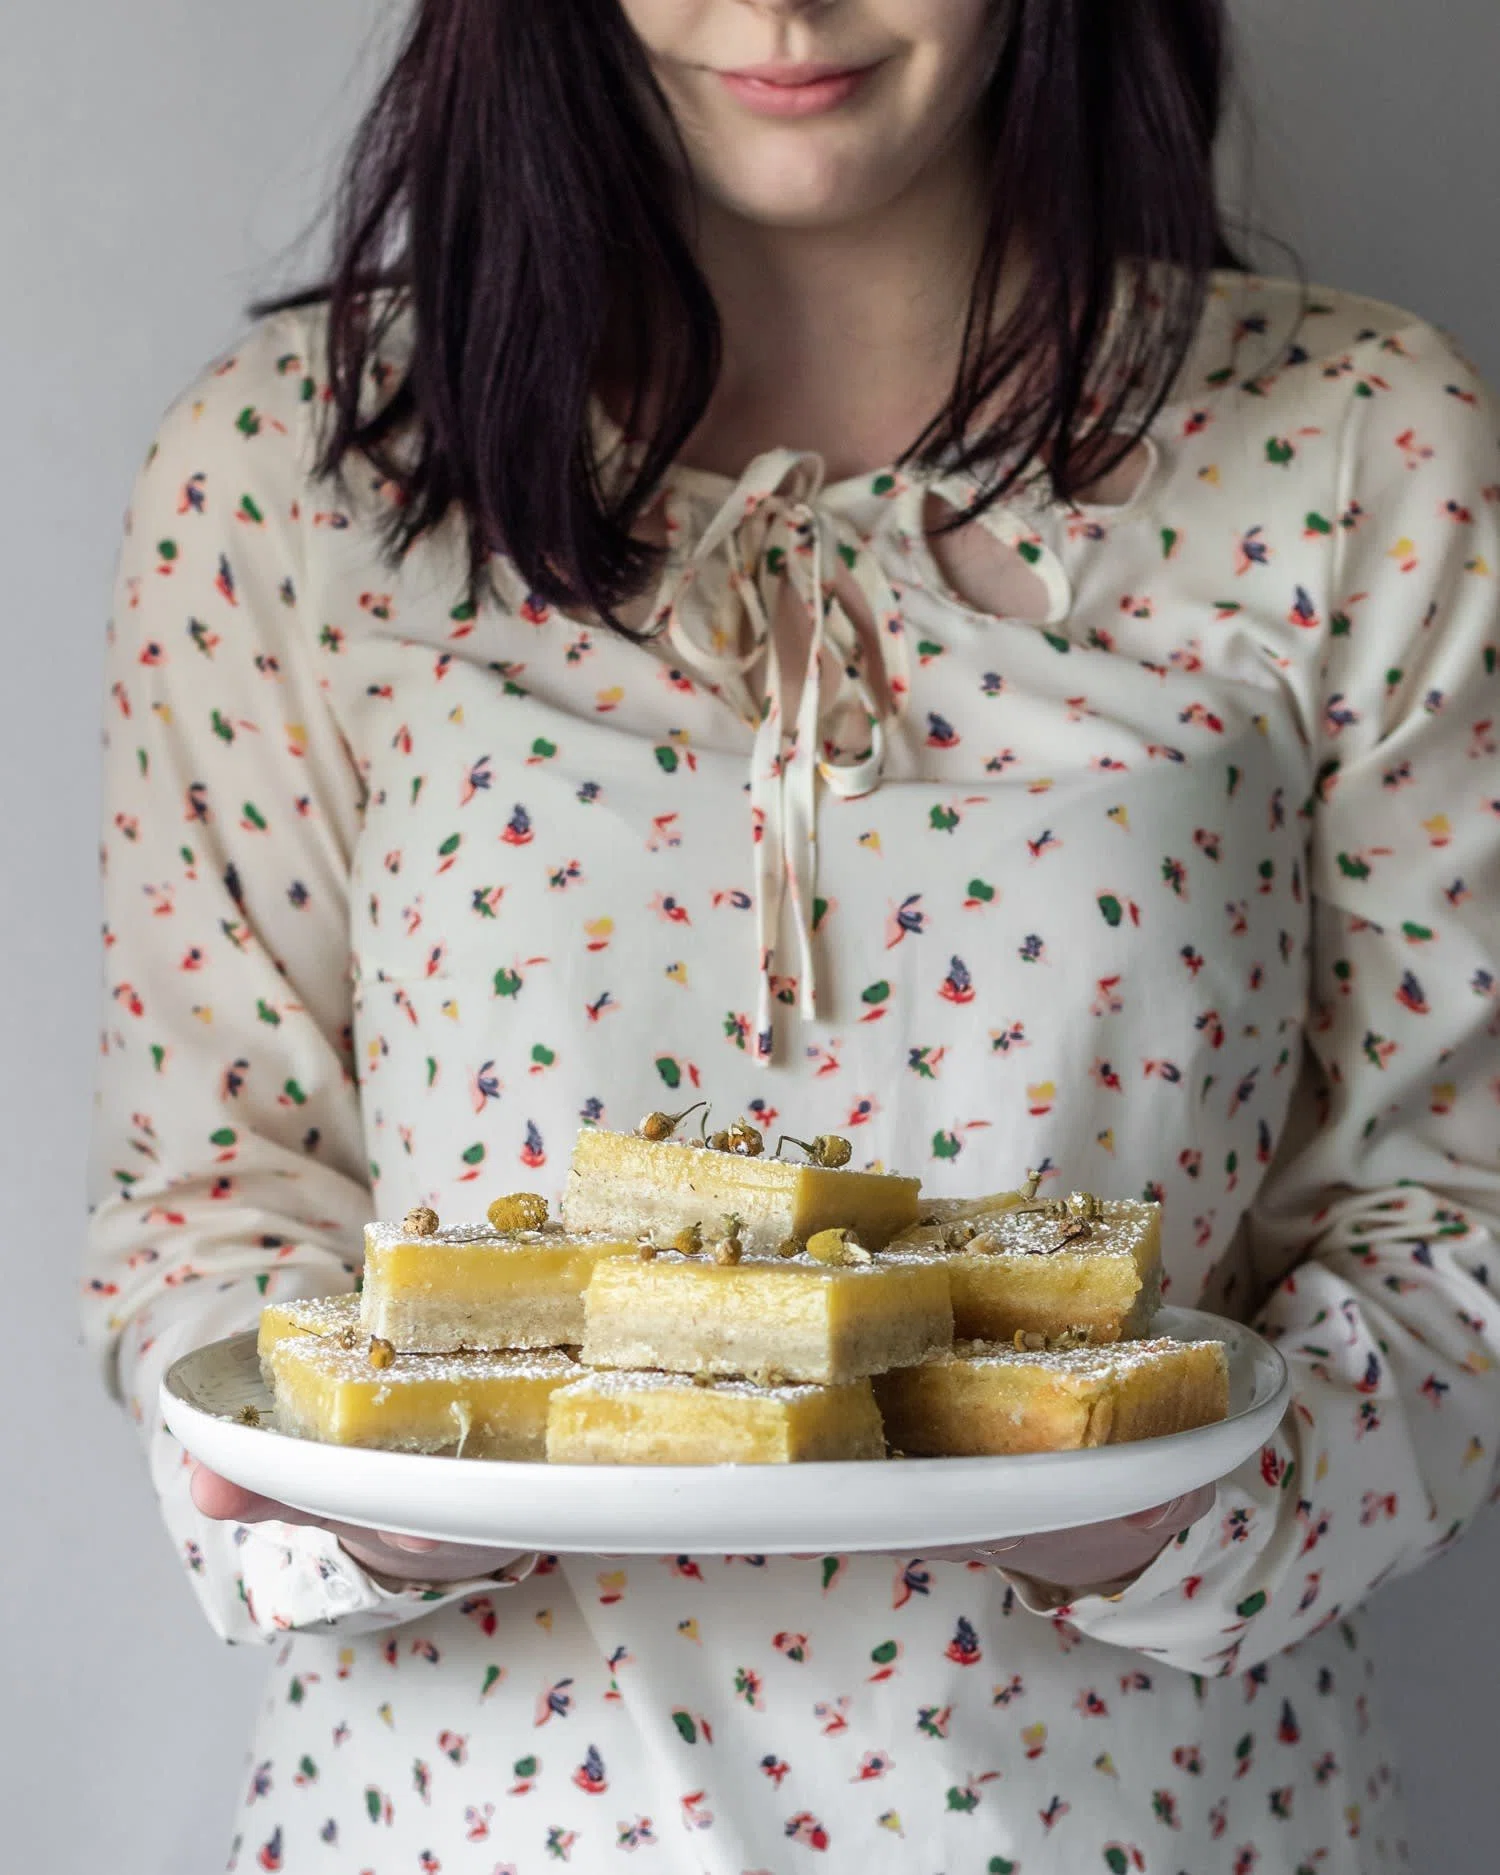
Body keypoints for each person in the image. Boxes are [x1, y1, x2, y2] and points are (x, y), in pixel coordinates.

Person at [82, 1, 1500, 1869]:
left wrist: (1175, 1506)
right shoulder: (288, 478)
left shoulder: (1361, 453)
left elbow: (1453, 1227)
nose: (778, 11)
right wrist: (328, 1495)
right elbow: (212, 1197)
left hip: (1157, 1823)